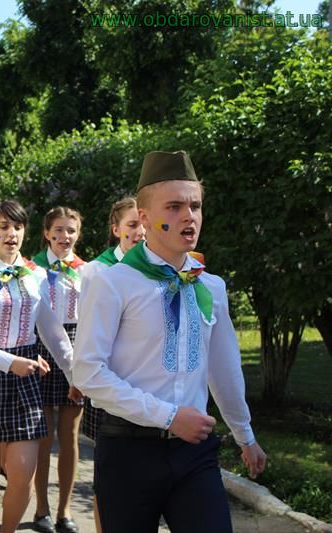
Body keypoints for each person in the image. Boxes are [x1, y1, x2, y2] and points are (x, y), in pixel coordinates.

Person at [73, 150, 267, 533]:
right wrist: (169, 416)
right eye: (174, 207)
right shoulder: (112, 282)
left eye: (195, 205)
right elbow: (88, 372)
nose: (188, 216)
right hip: (128, 451)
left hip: (195, 454)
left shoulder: (211, 286)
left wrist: (245, 435)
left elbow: (224, 368)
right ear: (144, 217)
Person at [0, 199, 76, 533]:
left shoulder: (35, 274)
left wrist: (75, 376)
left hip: (25, 382)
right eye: (4, 226)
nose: (12, 234)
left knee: (23, 473)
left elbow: (53, 332)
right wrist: (9, 362)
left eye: (18, 227)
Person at [75, 196, 145, 533]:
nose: (140, 231)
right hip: (111, 383)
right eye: (132, 225)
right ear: (116, 229)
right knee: (110, 478)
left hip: (146, 383)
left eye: (143, 223)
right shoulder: (97, 270)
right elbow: (88, 331)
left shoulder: (160, 267)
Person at [30, 207, 86, 533]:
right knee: (42, 435)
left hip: (76, 346)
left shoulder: (86, 271)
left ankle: (65, 510)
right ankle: (42, 509)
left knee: (70, 435)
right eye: (59, 230)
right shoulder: (31, 268)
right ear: (47, 233)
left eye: (71, 230)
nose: (65, 236)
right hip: (40, 347)